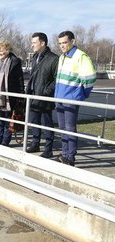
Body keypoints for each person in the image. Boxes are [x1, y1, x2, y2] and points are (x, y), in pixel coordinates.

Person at [54, 30, 96, 166]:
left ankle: (70, 157)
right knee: (62, 128)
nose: (62, 45)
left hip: (71, 98)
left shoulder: (80, 56)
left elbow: (89, 78)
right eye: (60, 43)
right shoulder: (62, 57)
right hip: (60, 98)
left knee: (70, 128)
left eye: (65, 42)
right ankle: (64, 153)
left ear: (72, 41)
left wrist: (82, 94)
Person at [26, 32, 59, 158]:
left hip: (44, 97)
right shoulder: (35, 57)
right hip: (34, 95)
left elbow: (57, 79)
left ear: (42, 43)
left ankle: (48, 148)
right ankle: (35, 143)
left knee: (47, 123)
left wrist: (47, 91)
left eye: (34, 43)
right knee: (34, 122)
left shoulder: (53, 59)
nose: (32, 45)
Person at [0, 40, 24, 146]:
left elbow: (20, 79)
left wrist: (21, 96)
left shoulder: (14, 61)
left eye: (2, 50)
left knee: (8, 121)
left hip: (9, 96)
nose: (0, 53)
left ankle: (5, 142)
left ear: (7, 50)